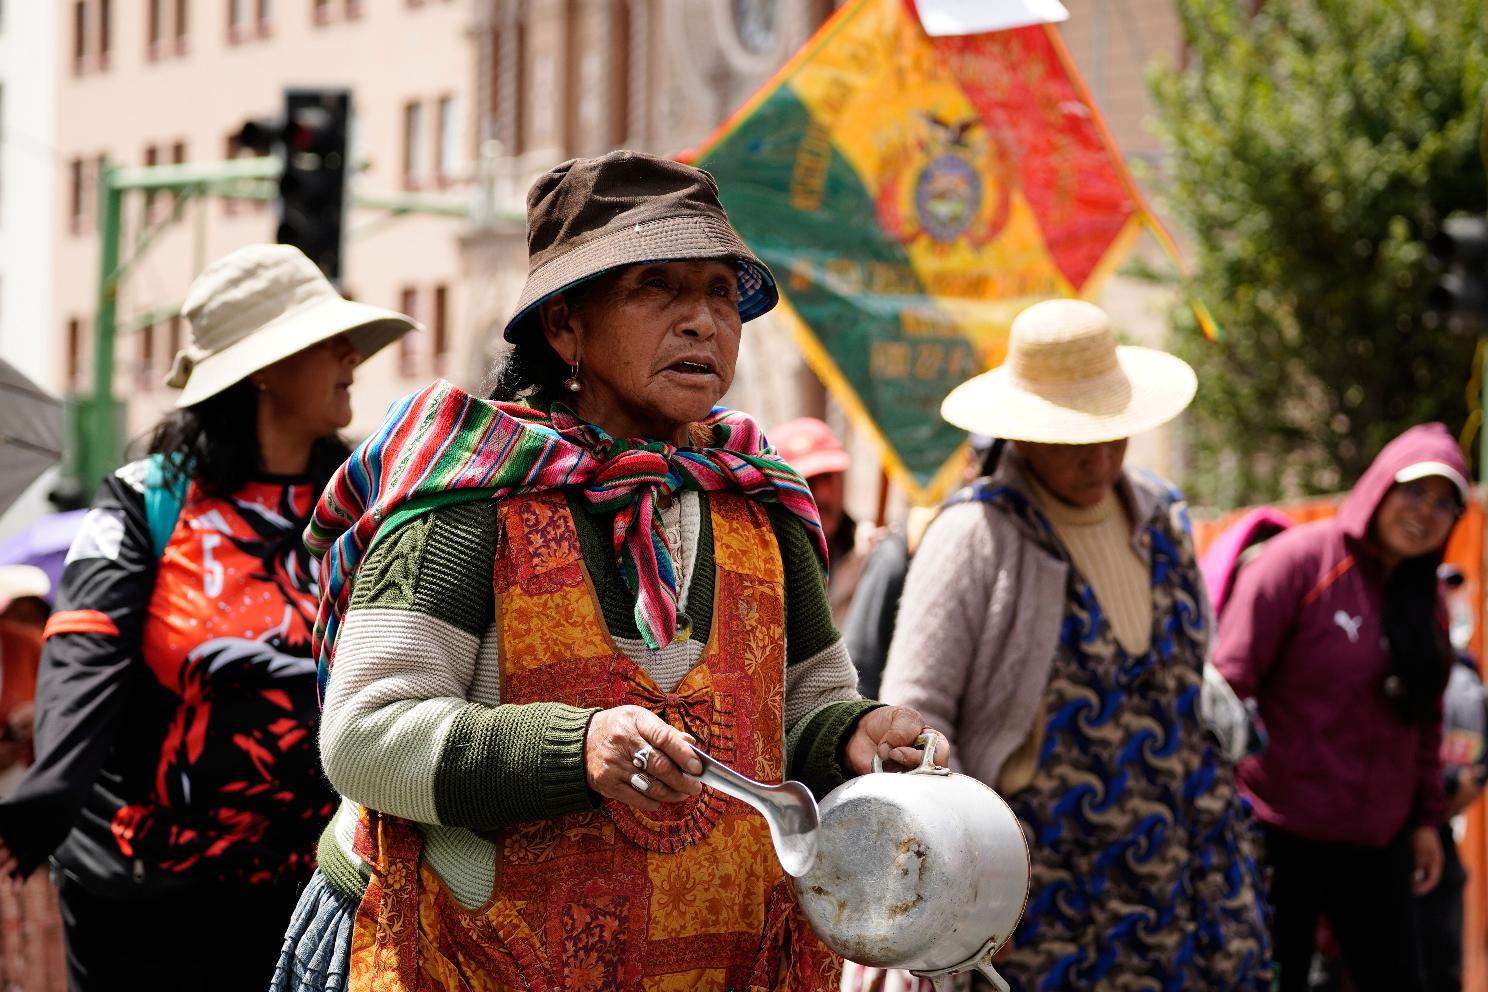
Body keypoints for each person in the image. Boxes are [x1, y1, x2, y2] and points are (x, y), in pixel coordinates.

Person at [272, 150, 946, 992]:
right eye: (656, 285)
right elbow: (366, 736)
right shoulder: (471, 491)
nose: (702, 321)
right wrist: (576, 748)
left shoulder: (757, 499)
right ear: (565, 327)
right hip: (463, 958)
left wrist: (852, 734)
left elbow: (802, 707)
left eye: (720, 291)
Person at [0, 244, 417, 991]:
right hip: (144, 905)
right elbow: (85, 650)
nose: (352, 355)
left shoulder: (372, 497)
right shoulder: (144, 499)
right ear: (263, 368)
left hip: (320, 896)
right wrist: (48, 794)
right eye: (328, 340)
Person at [878, 299, 1271, 989]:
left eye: (1111, 432)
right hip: (1047, 897)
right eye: (1071, 437)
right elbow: (916, 720)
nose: (1098, 456)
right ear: (1023, 433)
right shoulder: (975, 536)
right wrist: (965, 890)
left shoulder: (1161, 520)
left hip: (1188, 875)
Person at [1213, 423, 1468, 992]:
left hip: (1378, 840)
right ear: (1381, 486)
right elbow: (1226, 689)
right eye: (1414, 491)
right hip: (1279, 831)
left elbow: (1426, 721)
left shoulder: (1427, 598)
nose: (1425, 512)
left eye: (1443, 503)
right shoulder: (1299, 562)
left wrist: (1426, 821)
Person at [769, 416, 869, 625]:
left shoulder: (870, 553)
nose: (822, 495)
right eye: (808, 483)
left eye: (828, 478)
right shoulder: (761, 568)